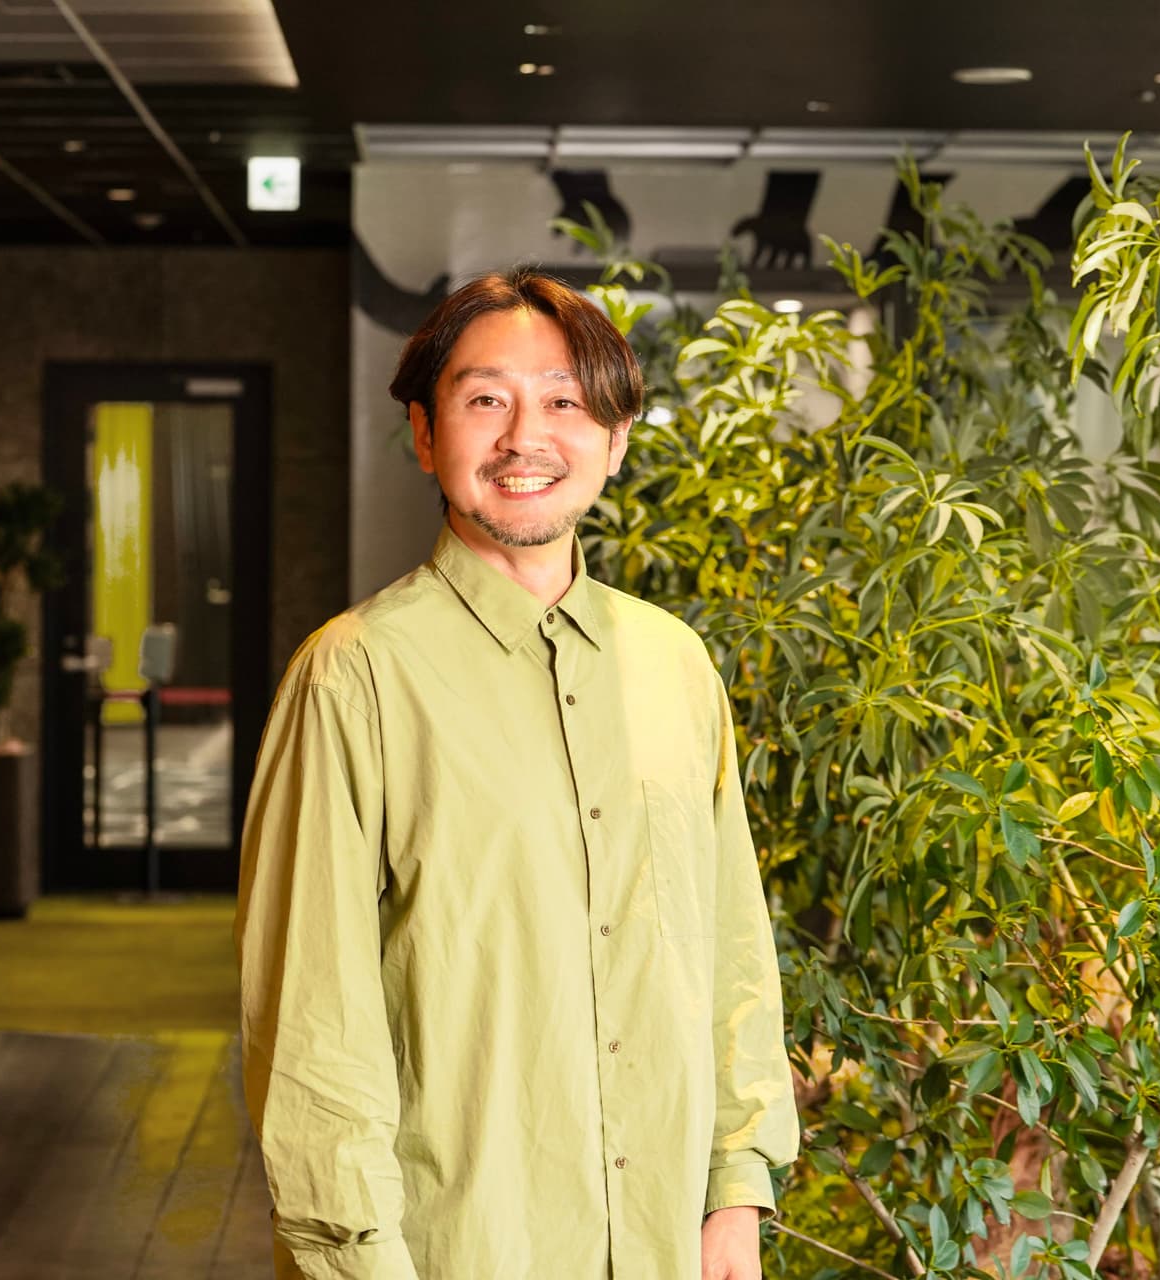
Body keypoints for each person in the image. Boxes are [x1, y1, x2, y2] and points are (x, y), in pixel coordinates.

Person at [236, 267, 799, 1280]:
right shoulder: (354, 677)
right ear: (423, 432)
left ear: (616, 440)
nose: (524, 436)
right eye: (485, 398)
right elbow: (309, 1022)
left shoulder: (675, 663)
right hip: (455, 1251)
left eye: (566, 402)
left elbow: (730, 945)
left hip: (670, 1241)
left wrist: (736, 1183)